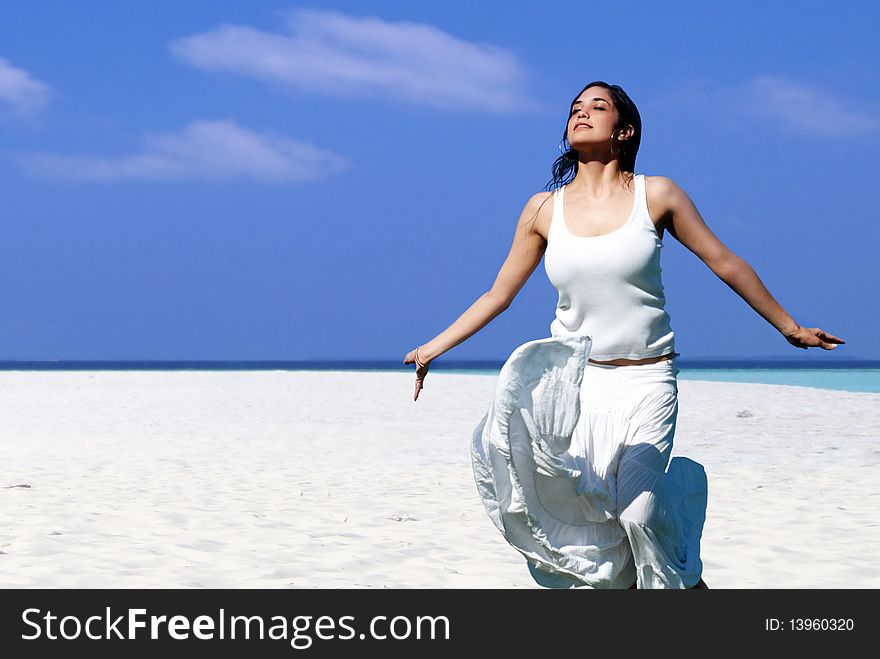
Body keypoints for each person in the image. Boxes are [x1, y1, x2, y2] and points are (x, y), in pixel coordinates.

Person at [403, 81, 845, 589]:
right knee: (599, 529)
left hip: (647, 381)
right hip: (578, 390)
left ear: (625, 130)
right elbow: (497, 294)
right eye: (575, 108)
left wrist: (789, 328)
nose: (581, 114)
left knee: (636, 516)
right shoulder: (543, 210)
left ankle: (684, 573)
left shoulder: (656, 195)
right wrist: (433, 348)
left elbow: (723, 262)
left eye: (597, 107)